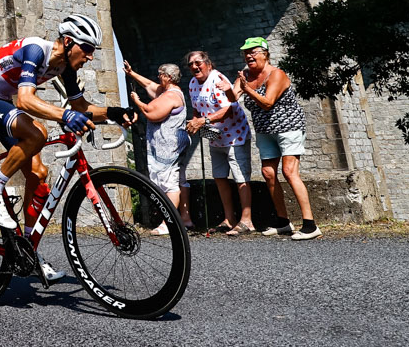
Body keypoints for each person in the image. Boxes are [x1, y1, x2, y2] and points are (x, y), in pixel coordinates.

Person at [0, 14, 136, 283]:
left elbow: (82, 108)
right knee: (38, 133)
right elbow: (25, 100)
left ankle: (27, 251)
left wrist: (114, 112)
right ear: (68, 42)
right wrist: (64, 116)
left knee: (39, 175)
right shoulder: (36, 50)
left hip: (2, 104)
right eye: (87, 49)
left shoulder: (66, 67)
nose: (90, 57)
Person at [225, 37, 321, 240]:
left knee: (289, 171)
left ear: (265, 53)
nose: (249, 55)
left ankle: (310, 225)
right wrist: (226, 88)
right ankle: (283, 222)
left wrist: (247, 88)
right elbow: (233, 97)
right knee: (268, 173)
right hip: (265, 130)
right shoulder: (246, 76)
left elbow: (267, 103)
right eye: (246, 52)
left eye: (253, 51)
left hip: (289, 128)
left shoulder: (277, 74)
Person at [184, 51, 255, 235]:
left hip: (234, 135)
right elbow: (196, 109)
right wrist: (194, 122)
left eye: (198, 62)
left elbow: (228, 110)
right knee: (220, 176)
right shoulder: (192, 83)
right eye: (190, 64)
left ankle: (247, 220)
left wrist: (203, 121)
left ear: (208, 63)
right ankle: (229, 218)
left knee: (240, 177)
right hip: (216, 137)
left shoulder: (217, 79)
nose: (194, 66)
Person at [126, 61, 190, 234]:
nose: (158, 77)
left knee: (170, 184)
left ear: (168, 77)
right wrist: (132, 73)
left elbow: (151, 114)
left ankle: (167, 223)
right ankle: (183, 218)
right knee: (171, 181)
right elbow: (149, 84)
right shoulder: (166, 91)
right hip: (167, 146)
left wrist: (137, 102)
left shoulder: (170, 96)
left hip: (168, 148)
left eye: (160, 74)